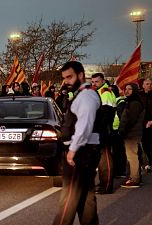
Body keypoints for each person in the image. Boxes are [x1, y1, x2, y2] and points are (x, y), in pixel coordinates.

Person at [53, 61, 101, 225]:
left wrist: (72, 150)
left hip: (81, 152)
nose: (66, 81)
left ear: (81, 75)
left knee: (69, 198)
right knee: (86, 196)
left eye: (70, 77)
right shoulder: (83, 94)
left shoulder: (86, 95)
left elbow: (84, 126)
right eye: (65, 78)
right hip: (86, 151)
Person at [91, 73, 116, 194]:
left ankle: (106, 186)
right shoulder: (99, 92)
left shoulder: (105, 92)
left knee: (105, 158)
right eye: (93, 82)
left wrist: (98, 127)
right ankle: (102, 183)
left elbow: (106, 113)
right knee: (101, 159)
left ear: (103, 81)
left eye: (97, 81)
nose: (94, 84)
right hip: (100, 129)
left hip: (104, 130)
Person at [119, 83, 144, 188]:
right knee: (132, 155)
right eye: (126, 89)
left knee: (132, 156)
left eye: (130, 89)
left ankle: (135, 179)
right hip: (131, 132)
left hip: (132, 133)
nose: (127, 91)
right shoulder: (130, 101)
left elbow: (131, 119)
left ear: (134, 90)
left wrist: (124, 131)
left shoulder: (134, 103)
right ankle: (134, 177)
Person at [139, 78, 152, 173]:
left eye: (151, 84)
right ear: (143, 85)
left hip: (151, 123)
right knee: (145, 144)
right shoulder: (139, 96)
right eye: (147, 84)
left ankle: (150, 163)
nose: (149, 85)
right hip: (142, 124)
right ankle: (145, 162)